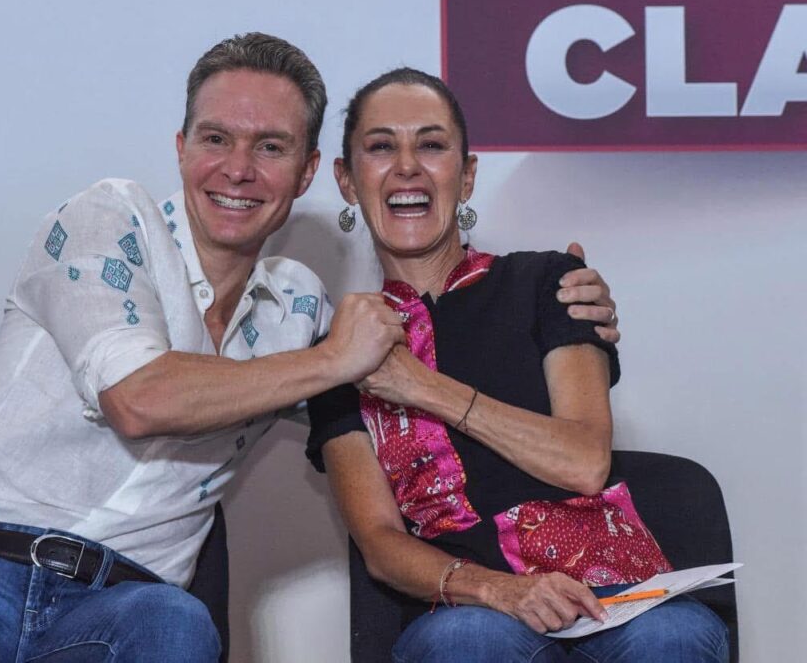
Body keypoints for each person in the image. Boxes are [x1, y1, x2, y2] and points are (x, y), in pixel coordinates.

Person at [0, 36, 618, 661]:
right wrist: (335, 360)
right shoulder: (107, 219)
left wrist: (568, 309)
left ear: (306, 175)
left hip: (127, 603)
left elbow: (407, 384)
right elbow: (139, 398)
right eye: (216, 139)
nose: (238, 169)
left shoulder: (301, 306)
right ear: (180, 148)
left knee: (175, 628)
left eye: (271, 148)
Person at [306, 68, 729, 663]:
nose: (406, 167)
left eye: (431, 145)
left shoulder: (549, 283)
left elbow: (584, 462)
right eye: (380, 147)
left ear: (467, 175)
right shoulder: (339, 350)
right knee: (471, 642)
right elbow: (379, 543)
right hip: (469, 606)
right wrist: (496, 590)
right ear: (347, 181)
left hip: (614, 596)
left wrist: (420, 386)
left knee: (673, 637)